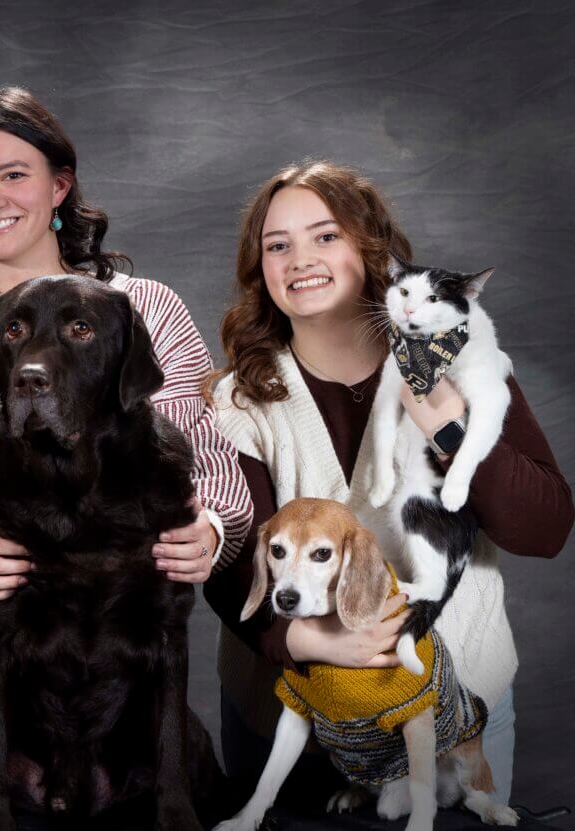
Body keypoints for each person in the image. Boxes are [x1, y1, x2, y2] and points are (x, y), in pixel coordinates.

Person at [0, 87, 253, 811]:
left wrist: (211, 532)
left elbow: (210, 462)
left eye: (13, 173)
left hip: (125, 715)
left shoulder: (148, 307)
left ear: (59, 185)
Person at [203, 160, 573, 807]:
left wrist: (450, 427)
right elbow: (232, 555)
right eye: (277, 244)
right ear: (259, 268)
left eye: (325, 236)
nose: (300, 259)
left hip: (455, 714)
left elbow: (544, 529)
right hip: (294, 712)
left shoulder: (465, 365)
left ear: (370, 249)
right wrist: (300, 638)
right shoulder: (238, 400)